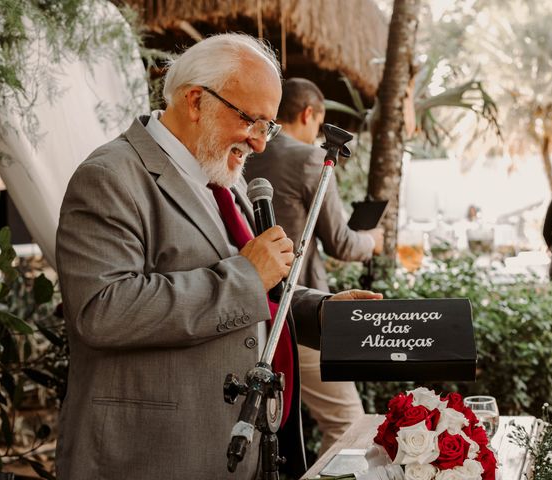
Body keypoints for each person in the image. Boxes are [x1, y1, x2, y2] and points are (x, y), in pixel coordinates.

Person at [55, 34, 381, 480]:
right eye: (253, 121)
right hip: (151, 455)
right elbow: (104, 310)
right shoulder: (109, 177)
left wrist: (320, 313)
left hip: (232, 450)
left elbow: (259, 287)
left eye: (269, 126)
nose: (261, 144)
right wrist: (247, 274)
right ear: (195, 101)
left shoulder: (222, 178)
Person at [245, 78, 384, 456]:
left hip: (244, 311)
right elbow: (341, 242)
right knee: (347, 424)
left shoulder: (241, 151)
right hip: (297, 313)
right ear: (310, 114)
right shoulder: (310, 158)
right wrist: (373, 240)